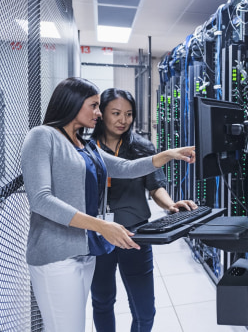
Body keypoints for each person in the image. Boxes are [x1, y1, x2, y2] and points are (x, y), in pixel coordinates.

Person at [20, 77, 195, 332]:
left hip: (85, 251)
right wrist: (102, 226)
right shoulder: (42, 136)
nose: (98, 113)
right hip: (56, 255)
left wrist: (167, 154)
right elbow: (40, 199)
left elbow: (126, 167)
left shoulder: (83, 145)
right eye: (94, 106)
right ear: (73, 103)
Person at [89, 88, 197, 331]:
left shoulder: (142, 147)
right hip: (99, 235)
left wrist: (170, 204)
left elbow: (155, 186)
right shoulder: (87, 148)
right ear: (101, 113)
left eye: (128, 114)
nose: (123, 120)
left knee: (145, 310)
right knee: (102, 302)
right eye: (115, 113)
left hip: (137, 235)